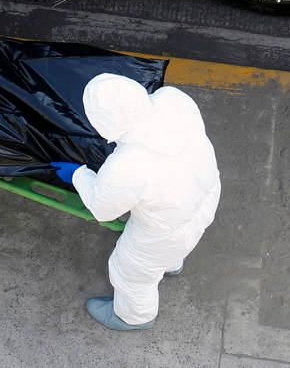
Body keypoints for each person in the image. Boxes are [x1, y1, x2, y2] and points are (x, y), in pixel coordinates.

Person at [52, 73, 221, 331]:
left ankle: (133, 317)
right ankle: (171, 265)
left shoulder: (127, 166)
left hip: (164, 231)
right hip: (205, 194)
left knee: (131, 273)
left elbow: (102, 208)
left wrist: (78, 175)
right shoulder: (173, 99)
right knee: (183, 238)